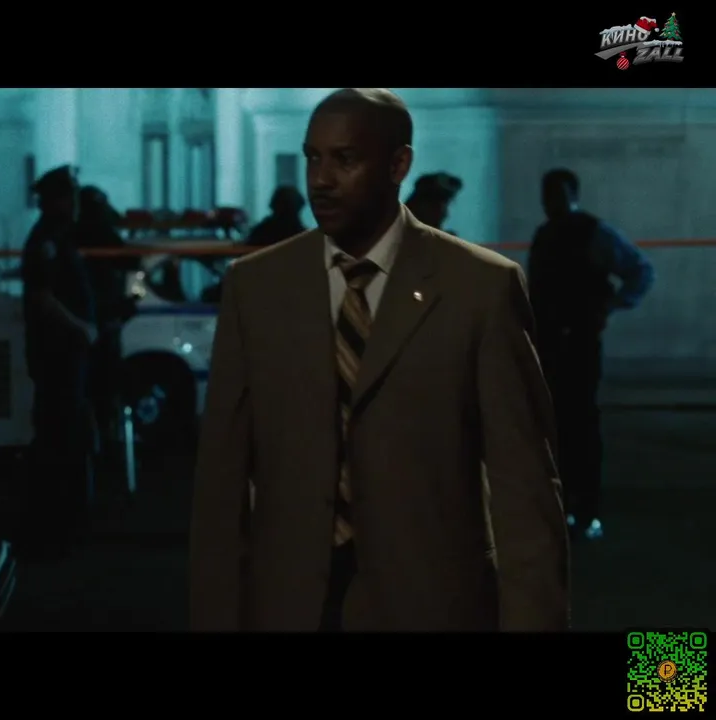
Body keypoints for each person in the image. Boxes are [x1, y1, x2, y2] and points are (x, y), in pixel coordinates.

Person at [189, 88, 568, 632]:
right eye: (313, 158)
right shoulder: (257, 287)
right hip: (290, 604)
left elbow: (524, 485)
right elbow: (221, 483)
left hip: (433, 604)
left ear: (398, 165)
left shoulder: (479, 288)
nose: (321, 180)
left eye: (344, 159)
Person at [527, 168, 654, 541]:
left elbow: (640, 271)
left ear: (573, 195)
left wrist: (608, 307)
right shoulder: (552, 235)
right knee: (563, 424)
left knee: (578, 423)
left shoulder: (590, 233)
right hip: (557, 341)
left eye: (557, 194)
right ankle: (571, 506)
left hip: (576, 341)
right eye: (548, 194)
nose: (551, 202)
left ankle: (583, 507)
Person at [20, 165, 97, 553]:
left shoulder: (60, 238)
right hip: (56, 355)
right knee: (58, 437)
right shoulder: (45, 242)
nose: (75, 202)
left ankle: (64, 523)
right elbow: (41, 296)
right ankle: (53, 526)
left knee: (67, 434)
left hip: (66, 354)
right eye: (70, 195)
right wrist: (79, 327)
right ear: (54, 201)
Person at [72, 185, 137, 461]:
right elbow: (132, 265)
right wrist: (128, 305)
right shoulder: (102, 235)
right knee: (104, 387)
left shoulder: (75, 233)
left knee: (90, 388)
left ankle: (95, 442)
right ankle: (105, 442)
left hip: (87, 322)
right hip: (101, 320)